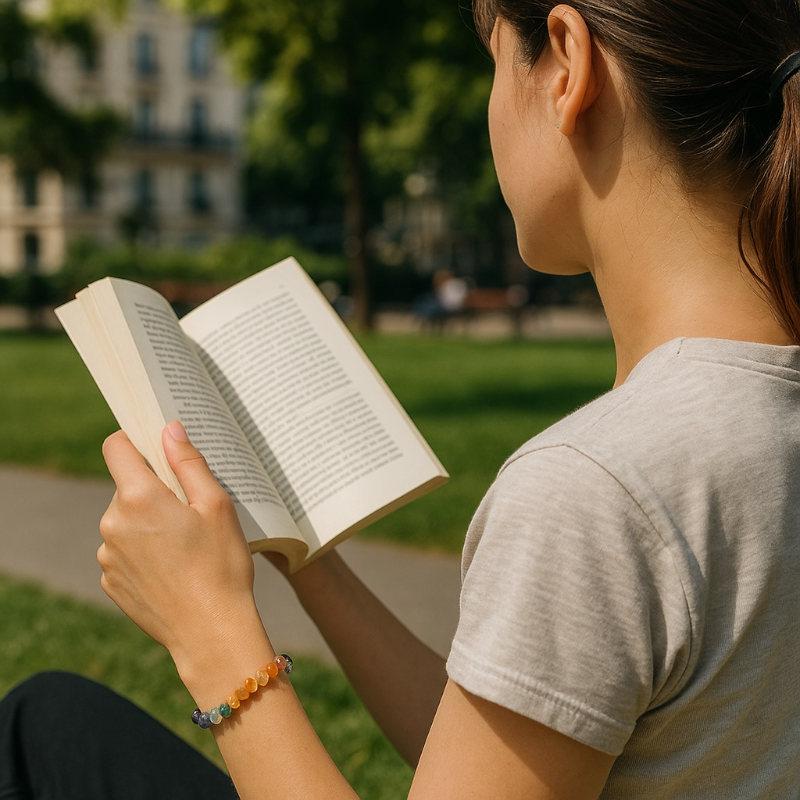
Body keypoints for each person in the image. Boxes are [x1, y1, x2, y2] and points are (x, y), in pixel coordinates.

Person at [3, 0, 800, 796]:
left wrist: (209, 629)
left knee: (39, 728)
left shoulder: (597, 490)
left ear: (566, 63)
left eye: (493, 62)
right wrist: (308, 559)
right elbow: (521, 752)